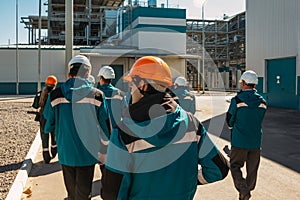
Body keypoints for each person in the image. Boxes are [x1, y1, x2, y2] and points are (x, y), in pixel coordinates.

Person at [101, 56, 229, 200]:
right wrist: (191, 180)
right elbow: (219, 169)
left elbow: (112, 193)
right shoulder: (192, 124)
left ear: (143, 85)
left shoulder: (123, 133)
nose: (130, 90)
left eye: (132, 86)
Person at [43, 55, 111, 200]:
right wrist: (105, 150)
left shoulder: (55, 95)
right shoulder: (97, 95)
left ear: (69, 73)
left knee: (71, 193)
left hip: (65, 152)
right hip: (88, 154)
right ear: (87, 74)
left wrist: (53, 134)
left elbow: (49, 123)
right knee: (84, 194)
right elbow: (105, 127)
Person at [226, 70, 267, 200]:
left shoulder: (237, 100)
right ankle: (246, 193)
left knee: (235, 165)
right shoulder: (263, 102)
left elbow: (230, 119)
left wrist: (232, 126)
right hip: (255, 142)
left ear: (243, 83)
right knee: (252, 170)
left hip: (239, 141)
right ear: (255, 85)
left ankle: (243, 190)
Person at [39, 75, 58, 163]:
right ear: (55, 84)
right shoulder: (56, 94)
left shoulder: (41, 93)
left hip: (43, 117)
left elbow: (36, 105)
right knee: (53, 135)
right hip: (53, 117)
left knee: (44, 136)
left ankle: (46, 156)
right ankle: (54, 150)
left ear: (46, 83)